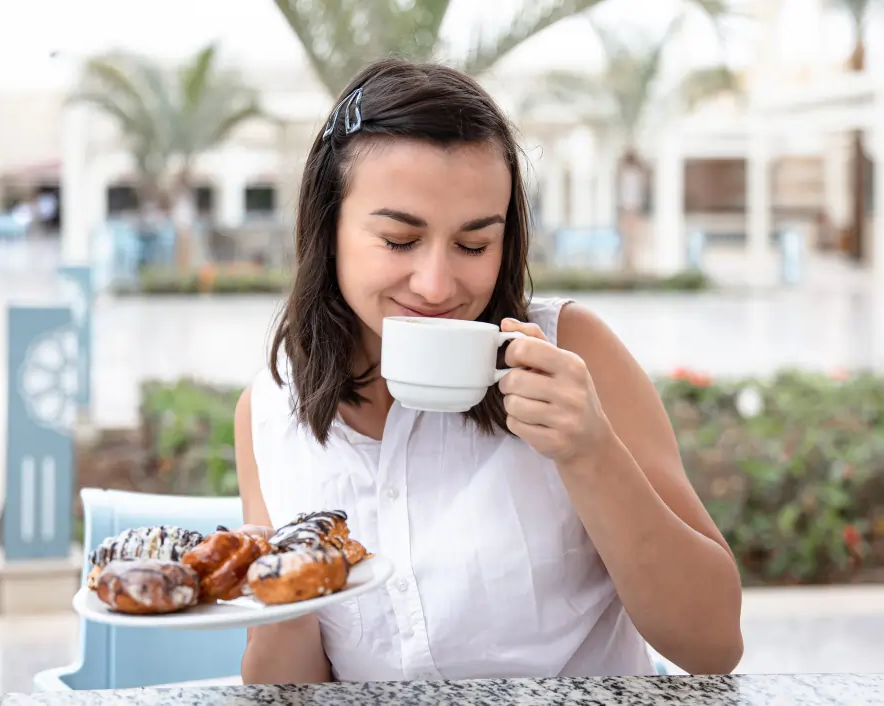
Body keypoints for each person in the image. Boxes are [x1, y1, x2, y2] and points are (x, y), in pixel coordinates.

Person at [235, 58, 743, 685]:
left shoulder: (573, 353)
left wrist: (590, 454)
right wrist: (288, 597)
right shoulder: (269, 413)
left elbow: (713, 645)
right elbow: (289, 686)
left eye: (474, 245)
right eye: (399, 240)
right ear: (328, 228)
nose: (437, 283)